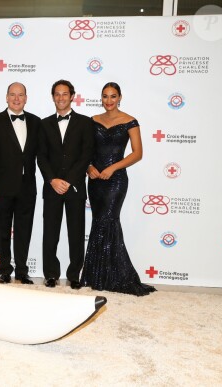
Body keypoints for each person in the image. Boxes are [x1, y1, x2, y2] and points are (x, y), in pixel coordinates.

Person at [81, 82, 156, 296]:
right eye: (105, 96)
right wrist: (89, 167)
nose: (109, 101)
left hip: (116, 180)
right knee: (98, 222)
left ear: (120, 97)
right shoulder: (92, 121)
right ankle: (97, 275)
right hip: (95, 180)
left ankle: (116, 276)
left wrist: (112, 168)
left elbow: (137, 153)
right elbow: (85, 150)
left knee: (109, 221)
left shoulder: (130, 121)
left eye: (113, 96)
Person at [0, 82, 41, 284]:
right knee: (2, 230)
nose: (16, 98)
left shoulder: (35, 122)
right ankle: (5, 270)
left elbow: (44, 156)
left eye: (20, 95)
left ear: (26, 98)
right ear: (6, 97)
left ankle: (22, 271)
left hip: (27, 188)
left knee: (24, 231)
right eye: (12, 95)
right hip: (0, 188)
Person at [38, 80, 95, 289]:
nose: (61, 98)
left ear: (72, 96)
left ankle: (74, 275)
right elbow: (41, 156)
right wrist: (52, 180)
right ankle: (51, 274)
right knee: (50, 233)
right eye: (57, 94)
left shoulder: (85, 123)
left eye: (65, 94)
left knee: (76, 233)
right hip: (52, 187)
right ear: (53, 97)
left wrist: (69, 181)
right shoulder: (43, 124)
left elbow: (86, 154)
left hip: (75, 188)